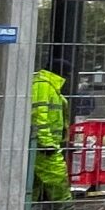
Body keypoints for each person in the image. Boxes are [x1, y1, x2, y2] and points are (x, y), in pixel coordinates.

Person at [30, 63, 71, 201]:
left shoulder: (49, 85)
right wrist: (46, 143)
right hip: (44, 146)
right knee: (57, 175)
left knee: (33, 180)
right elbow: (39, 116)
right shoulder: (44, 85)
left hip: (41, 144)